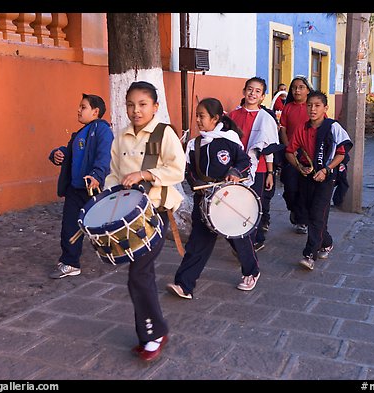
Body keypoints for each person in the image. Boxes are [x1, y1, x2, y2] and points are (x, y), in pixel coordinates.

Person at [104, 81, 186, 361]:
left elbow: (177, 169)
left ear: (155, 107)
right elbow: (114, 175)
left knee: (139, 275)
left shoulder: (163, 134)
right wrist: (108, 200)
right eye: (130, 104)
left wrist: (145, 175)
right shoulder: (121, 136)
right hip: (130, 217)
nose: (135, 111)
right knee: (141, 276)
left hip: (155, 215)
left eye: (142, 105)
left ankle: (155, 332)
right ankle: (151, 332)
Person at [166, 97, 257, 300]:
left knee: (238, 238)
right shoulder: (194, 144)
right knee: (198, 243)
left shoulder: (230, 140)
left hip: (229, 199)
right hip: (205, 200)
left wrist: (234, 171)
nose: (198, 120)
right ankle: (184, 285)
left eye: (202, 116)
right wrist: (196, 185)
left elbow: (244, 161)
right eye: (196, 116)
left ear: (215, 118)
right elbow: (188, 171)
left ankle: (251, 271)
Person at [48, 94, 114, 279]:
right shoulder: (79, 134)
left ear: (95, 111)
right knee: (69, 226)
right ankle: (70, 262)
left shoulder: (102, 130)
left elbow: (104, 155)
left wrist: (97, 175)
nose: (78, 110)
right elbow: (70, 153)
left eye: (83, 107)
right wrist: (57, 154)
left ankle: (119, 251)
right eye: (79, 106)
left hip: (92, 188)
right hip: (74, 189)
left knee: (102, 226)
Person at [285, 90, 352, 270]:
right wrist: (300, 167)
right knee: (309, 214)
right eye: (309, 105)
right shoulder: (302, 128)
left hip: (326, 176)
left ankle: (309, 255)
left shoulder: (332, 127)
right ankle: (326, 242)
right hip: (307, 175)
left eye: (317, 105)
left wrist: (326, 169)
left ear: (325, 108)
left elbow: (340, 154)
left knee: (317, 213)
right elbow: (290, 152)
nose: (312, 109)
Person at [229, 77, 281, 252]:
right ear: (244, 91)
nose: (253, 93)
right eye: (250, 89)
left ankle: (253, 239)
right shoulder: (232, 116)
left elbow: (269, 148)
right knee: (236, 204)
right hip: (236, 170)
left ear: (263, 96)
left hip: (258, 170)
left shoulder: (266, 119)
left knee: (253, 204)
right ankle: (241, 237)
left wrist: (270, 173)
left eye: (258, 91)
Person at [279, 75, 313, 235]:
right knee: (290, 188)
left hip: (309, 156)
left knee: (305, 189)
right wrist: (288, 148)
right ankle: (294, 209)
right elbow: (283, 129)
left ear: (308, 90)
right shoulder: (288, 107)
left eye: (301, 87)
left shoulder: (313, 106)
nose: (297, 90)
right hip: (291, 154)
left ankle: (302, 220)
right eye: (294, 87)